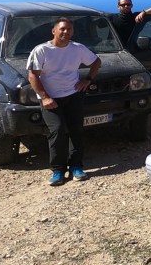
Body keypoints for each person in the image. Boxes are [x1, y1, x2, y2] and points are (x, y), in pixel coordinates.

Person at [27, 17, 102, 186]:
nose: (66, 32)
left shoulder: (77, 48)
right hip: (51, 99)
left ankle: (76, 167)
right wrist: (45, 98)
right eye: (62, 29)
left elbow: (96, 62)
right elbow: (33, 76)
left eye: (69, 29)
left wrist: (88, 79)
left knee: (76, 131)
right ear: (54, 31)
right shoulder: (41, 50)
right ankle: (58, 170)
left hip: (73, 95)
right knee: (58, 131)